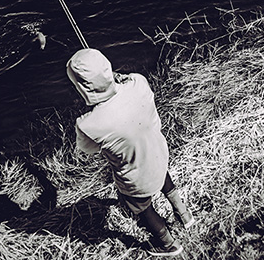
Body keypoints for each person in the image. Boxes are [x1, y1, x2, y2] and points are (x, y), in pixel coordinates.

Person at [67, 48, 194, 257]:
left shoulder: (88, 124)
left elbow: (87, 149)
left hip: (136, 178)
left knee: (142, 208)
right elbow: (128, 86)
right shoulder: (138, 82)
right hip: (159, 153)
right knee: (161, 174)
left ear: (82, 87)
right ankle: (184, 214)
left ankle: (168, 244)